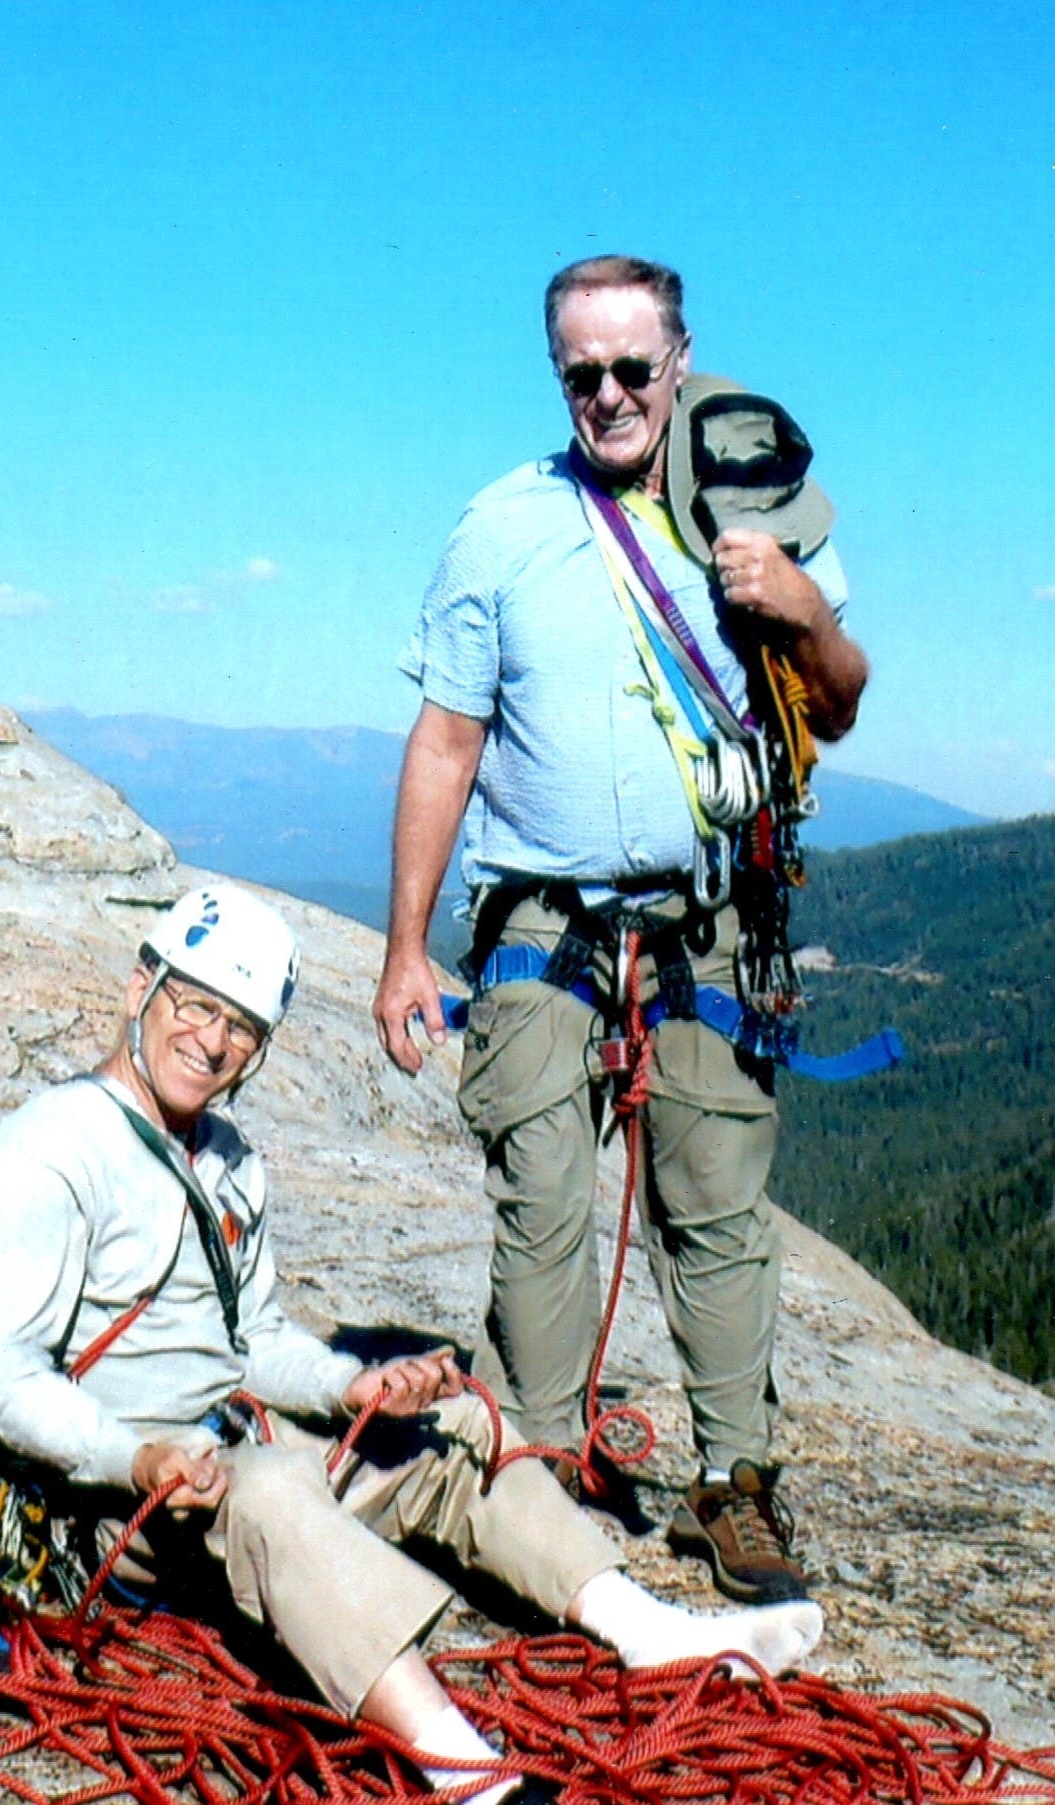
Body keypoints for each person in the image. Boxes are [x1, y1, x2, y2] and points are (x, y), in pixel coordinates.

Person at [0, 883, 822, 1805]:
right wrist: (137, 1456)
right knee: (275, 1492)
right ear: (139, 991)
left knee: (455, 1426)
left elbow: (254, 1342)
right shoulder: (48, 1152)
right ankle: (462, 1769)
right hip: (112, 1503)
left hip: (224, 1448)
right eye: (195, 1005)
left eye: (241, 1027)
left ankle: (645, 1628)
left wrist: (356, 1382)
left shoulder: (228, 1158)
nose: (212, 1042)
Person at [372, 257, 871, 1604]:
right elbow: (447, 739)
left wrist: (800, 605)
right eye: (579, 372)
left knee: (713, 1205)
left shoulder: (754, 511)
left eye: (631, 369)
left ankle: (734, 1483)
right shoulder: (502, 527)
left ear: (681, 358)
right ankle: (533, 1479)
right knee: (540, 1201)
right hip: (545, 919)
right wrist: (407, 944)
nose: (607, 394)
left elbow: (839, 704)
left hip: (709, 919)